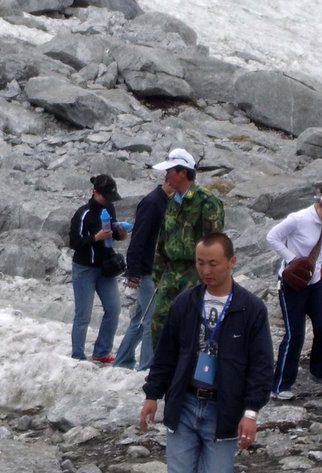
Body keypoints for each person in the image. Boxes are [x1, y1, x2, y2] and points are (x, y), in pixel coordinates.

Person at [139, 232, 273, 473]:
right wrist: (152, 394)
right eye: (200, 263)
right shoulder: (185, 303)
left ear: (231, 261)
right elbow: (166, 354)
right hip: (184, 405)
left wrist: (251, 412)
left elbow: (262, 365)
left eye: (213, 263)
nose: (205, 270)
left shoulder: (251, 309)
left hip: (223, 409)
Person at [269, 189, 322, 399]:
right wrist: (292, 259)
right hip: (292, 286)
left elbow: (321, 246)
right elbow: (272, 237)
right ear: (321, 206)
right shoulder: (298, 219)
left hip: (315, 282)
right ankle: (280, 386)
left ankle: (318, 371)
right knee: (295, 335)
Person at [148, 148, 225, 342]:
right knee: (159, 324)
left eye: (170, 171)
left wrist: (209, 277)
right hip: (171, 273)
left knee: (191, 326)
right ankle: (163, 368)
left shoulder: (207, 201)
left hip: (195, 272)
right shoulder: (172, 202)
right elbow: (163, 238)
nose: (166, 176)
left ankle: (188, 369)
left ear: (183, 172)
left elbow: (214, 243)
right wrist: (157, 272)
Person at [69, 174, 128, 363]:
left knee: (113, 308)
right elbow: (74, 242)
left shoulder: (109, 208)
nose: (109, 201)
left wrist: (120, 234)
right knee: (83, 314)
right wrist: (96, 238)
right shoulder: (83, 213)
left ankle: (102, 352)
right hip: (84, 268)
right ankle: (77, 355)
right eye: (106, 196)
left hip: (105, 268)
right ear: (95, 193)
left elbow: (112, 235)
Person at [113, 176, 170, 370]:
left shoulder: (163, 201)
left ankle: (122, 361)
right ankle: (146, 367)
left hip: (151, 269)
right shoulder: (153, 203)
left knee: (140, 317)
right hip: (146, 271)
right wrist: (134, 272)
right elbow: (138, 238)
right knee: (151, 319)